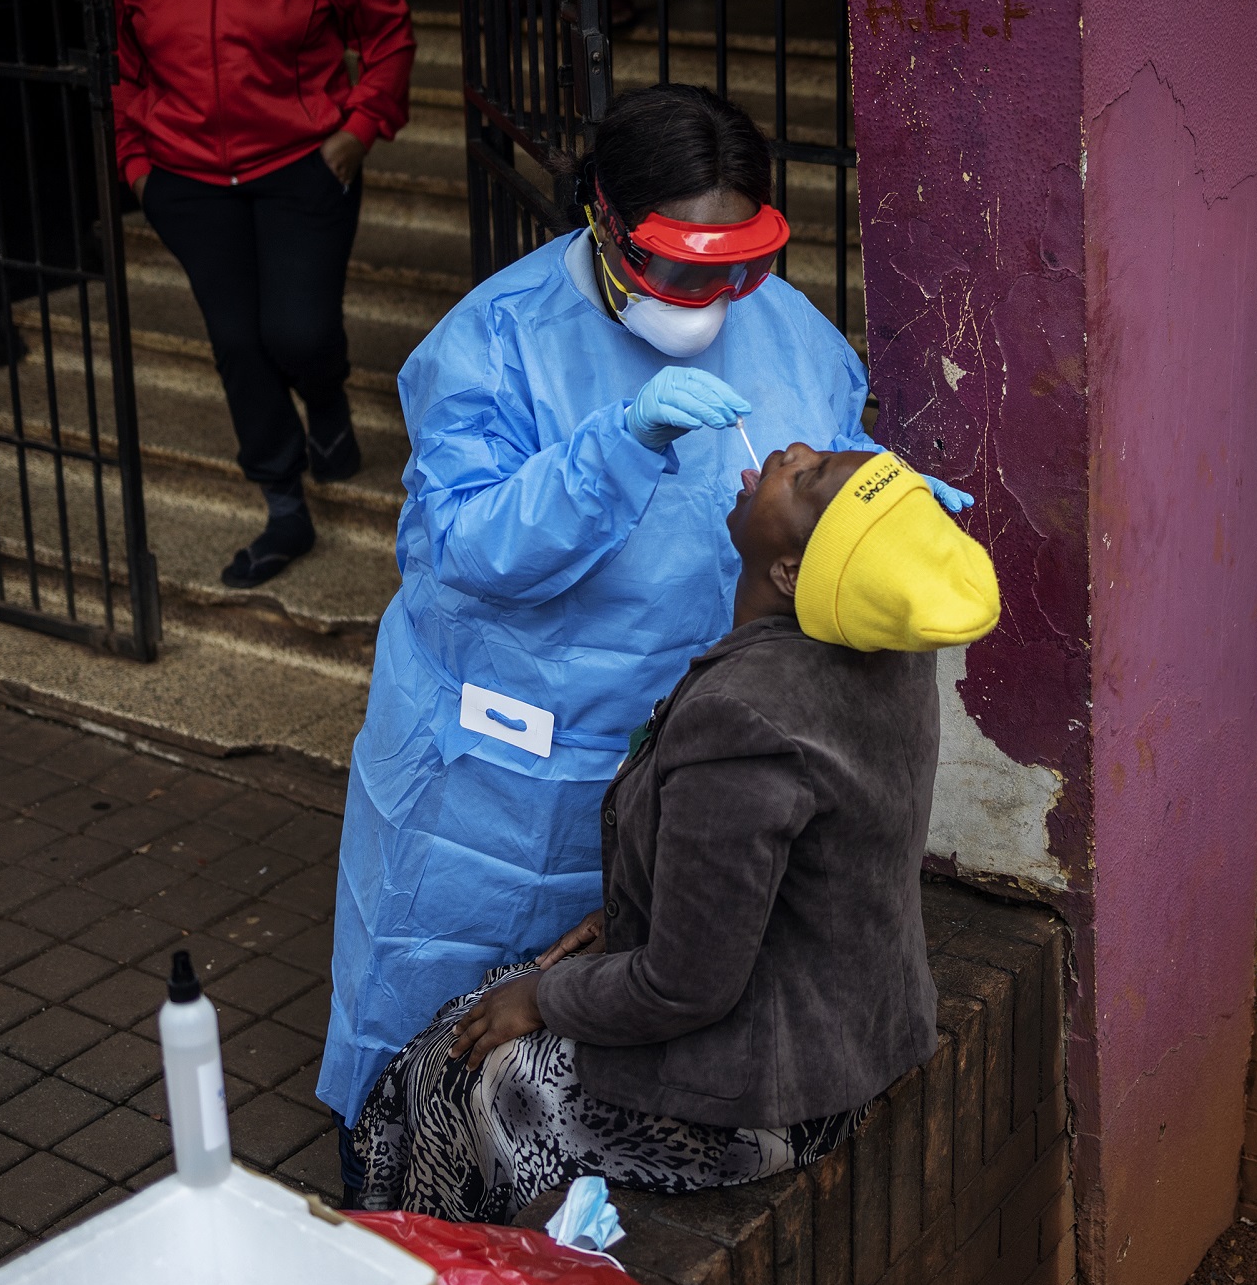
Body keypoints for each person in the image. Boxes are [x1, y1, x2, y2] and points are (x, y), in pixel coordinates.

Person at [314, 84, 977, 1179]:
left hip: (688, 755)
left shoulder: (789, 333)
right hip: (505, 764)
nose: (714, 302)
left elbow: (828, 470)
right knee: (433, 1044)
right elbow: (465, 546)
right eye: (680, 269)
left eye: (739, 269)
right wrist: (614, 448)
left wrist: (886, 513)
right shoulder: (494, 343)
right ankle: (392, 1188)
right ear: (603, 221)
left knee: (591, 1048)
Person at [350, 443, 1001, 1220]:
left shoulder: (743, 719)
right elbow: (785, 869)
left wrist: (547, 998)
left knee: (452, 1074)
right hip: (857, 1030)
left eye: (805, 478)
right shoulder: (885, 645)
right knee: (477, 1013)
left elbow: (684, 986)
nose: (791, 450)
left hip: (769, 1097)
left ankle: (428, 1252)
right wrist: (633, 913)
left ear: (791, 572)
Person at [111, 0, 415, 588]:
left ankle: (325, 396)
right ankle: (283, 503)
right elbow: (124, 64)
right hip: (186, 177)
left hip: (300, 165)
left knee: (298, 332)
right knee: (238, 343)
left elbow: (388, 31)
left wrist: (358, 130)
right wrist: (136, 163)